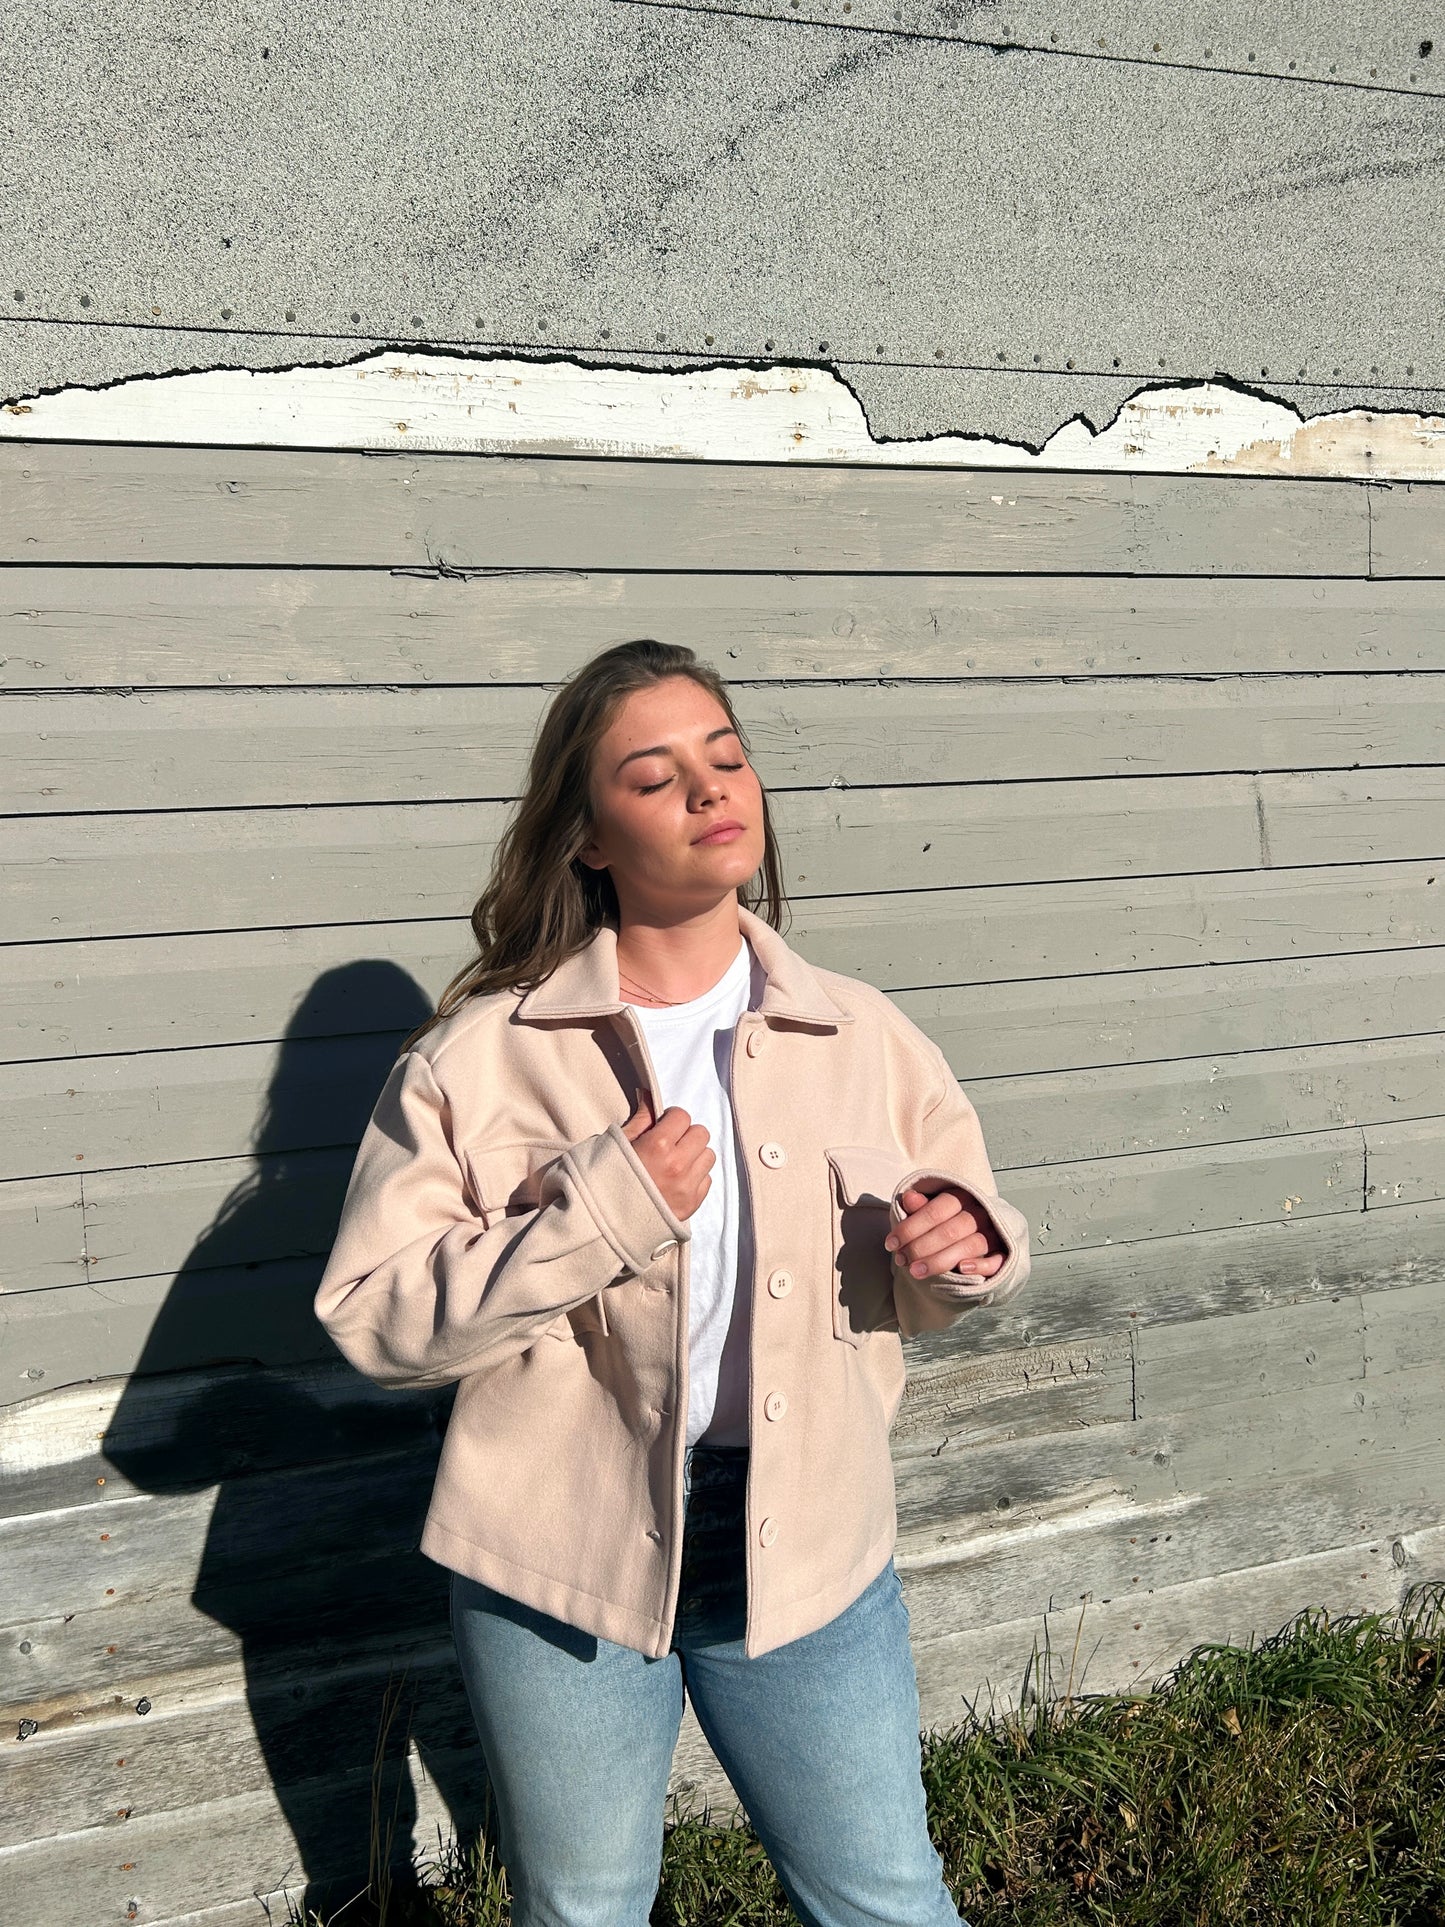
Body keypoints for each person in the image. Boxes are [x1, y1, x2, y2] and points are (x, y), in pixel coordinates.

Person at [314, 638, 1032, 1927]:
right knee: (583, 1911)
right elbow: (375, 1320)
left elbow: (950, 1258)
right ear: (588, 837)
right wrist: (602, 1213)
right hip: (556, 1561)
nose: (709, 791)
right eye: (655, 777)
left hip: (810, 1544)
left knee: (887, 1901)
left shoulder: (861, 1034)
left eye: (727, 759)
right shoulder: (482, 1059)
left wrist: (964, 1249)